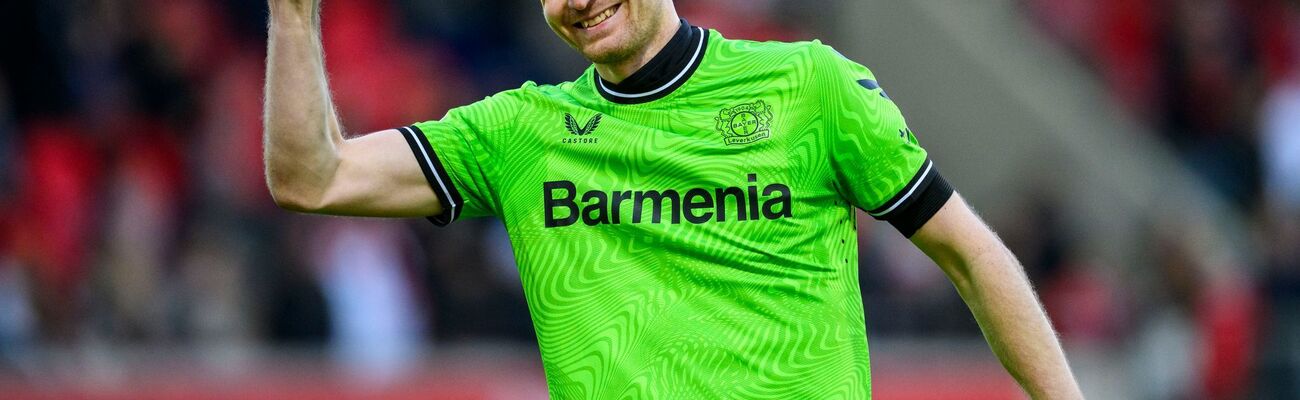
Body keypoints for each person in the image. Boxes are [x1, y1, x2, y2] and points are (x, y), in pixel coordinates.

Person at [262, 0, 1084, 398]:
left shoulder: (810, 87)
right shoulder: (520, 134)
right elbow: (312, 176)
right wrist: (293, 17)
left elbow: (970, 255)